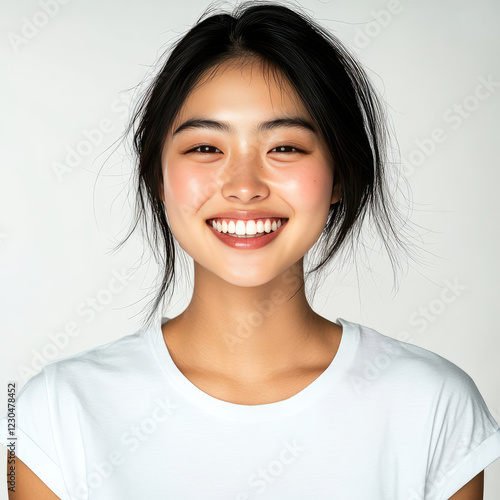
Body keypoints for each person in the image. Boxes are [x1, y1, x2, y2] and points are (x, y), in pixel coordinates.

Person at [2, 1, 500, 499]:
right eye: (205, 148)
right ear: (157, 175)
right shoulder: (55, 415)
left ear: (340, 174)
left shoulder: (431, 404)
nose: (244, 186)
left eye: (285, 148)